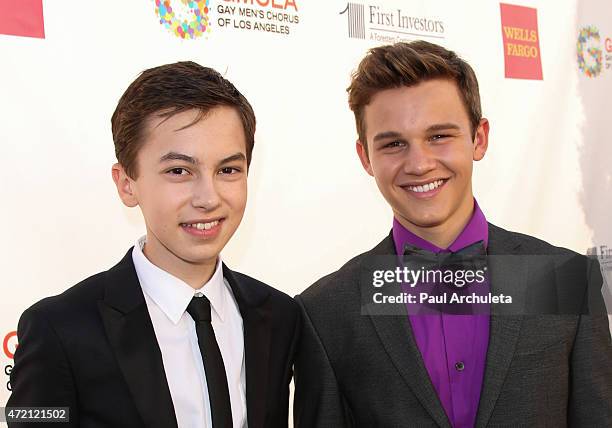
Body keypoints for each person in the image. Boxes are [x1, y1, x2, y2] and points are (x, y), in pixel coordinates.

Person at [294, 41, 612, 427]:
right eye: (394, 143)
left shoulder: (564, 281)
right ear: (365, 157)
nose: (420, 163)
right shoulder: (325, 312)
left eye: (439, 136)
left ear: (479, 138)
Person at [7, 62, 300, 428]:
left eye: (228, 170)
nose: (208, 198)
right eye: (179, 171)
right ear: (127, 183)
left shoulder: (278, 316)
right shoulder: (59, 329)